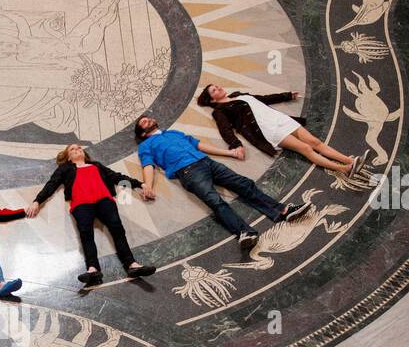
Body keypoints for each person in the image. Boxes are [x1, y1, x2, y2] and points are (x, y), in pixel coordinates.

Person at [134, 113, 310, 253]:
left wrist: (230, 153)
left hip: (207, 161)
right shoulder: (145, 145)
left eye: (147, 117)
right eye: (143, 122)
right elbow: (148, 164)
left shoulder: (173, 133)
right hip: (188, 171)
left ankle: (283, 210)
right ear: (142, 133)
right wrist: (147, 185)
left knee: (244, 184)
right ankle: (244, 232)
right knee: (215, 201)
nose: (147, 118)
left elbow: (199, 146)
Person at [26, 142, 156, 286]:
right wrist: (37, 201)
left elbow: (116, 176)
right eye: (72, 149)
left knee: (118, 230)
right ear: (68, 157)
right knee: (86, 234)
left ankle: (131, 265)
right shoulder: (65, 168)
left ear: (84, 153)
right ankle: (93, 269)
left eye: (79, 148)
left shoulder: (96, 165)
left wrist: (140, 184)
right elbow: (52, 184)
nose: (77, 150)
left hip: (105, 201)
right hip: (81, 205)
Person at [197, 85, 364, 175]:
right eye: (214, 90)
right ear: (212, 99)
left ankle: (349, 160)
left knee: (315, 142)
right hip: (267, 129)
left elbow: (264, 99)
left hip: (280, 119)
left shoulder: (238, 95)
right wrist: (235, 144)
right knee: (305, 148)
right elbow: (225, 130)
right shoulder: (219, 111)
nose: (218, 88)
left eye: (217, 86)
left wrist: (286, 95)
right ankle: (343, 169)